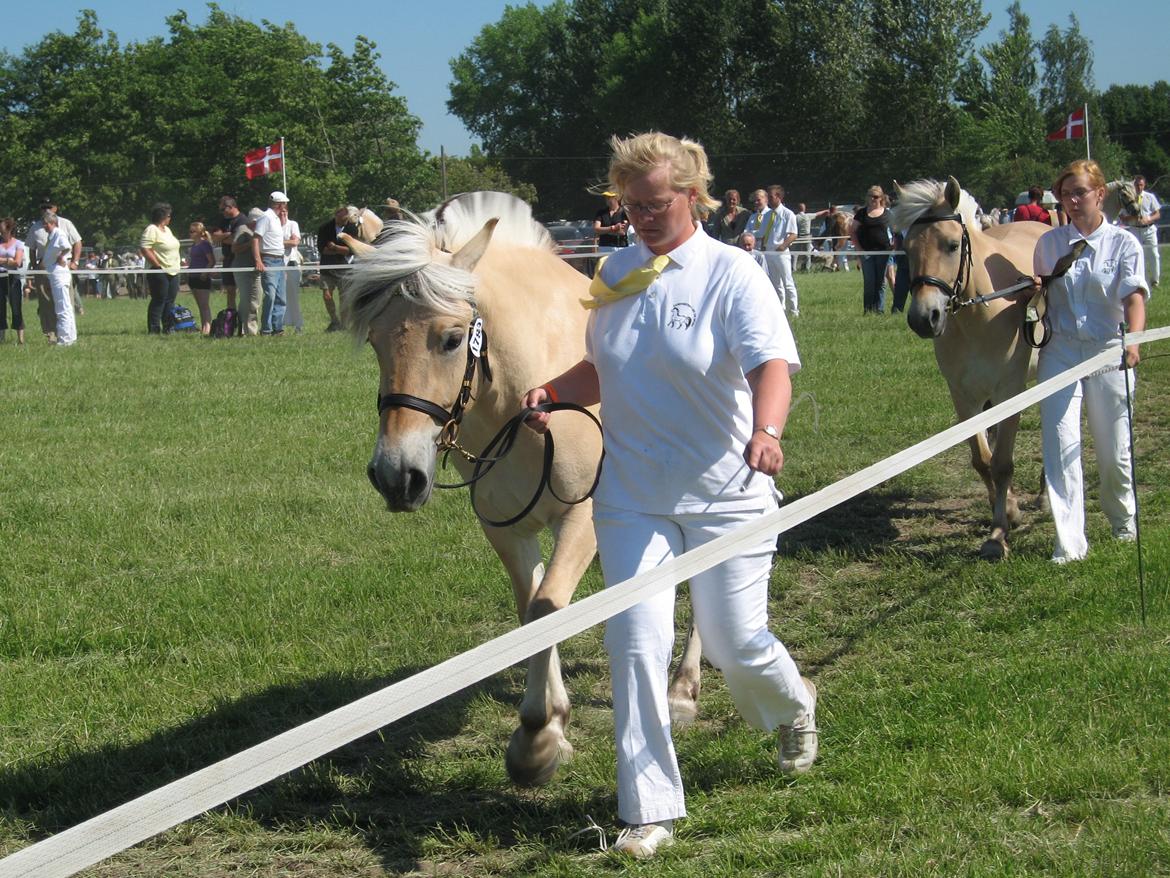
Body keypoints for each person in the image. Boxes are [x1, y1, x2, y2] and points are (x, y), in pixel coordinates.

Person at [522, 131, 818, 859]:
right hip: (631, 499)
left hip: (729, 493)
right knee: (635, 644)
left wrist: (769, 430)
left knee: (733, 645)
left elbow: (771, 364)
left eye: (657, 204)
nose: (644, 218)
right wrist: (556, 391)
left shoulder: (732, 273)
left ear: (694, 196)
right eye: (632, 206)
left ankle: (794, 705)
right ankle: (647, 811)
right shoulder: (616, 273)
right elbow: (608, 369)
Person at [1032, 159, 1149, 564]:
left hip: (1107, 350)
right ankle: (1069, 544)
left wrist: (1132, 342)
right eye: (1066, 194)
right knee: (1061, 445)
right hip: (1060, 351)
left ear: (1100, 194)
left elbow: (1134, 297)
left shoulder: (1124, 244)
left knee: (1114, 451)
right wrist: (1032, 297)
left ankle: (1122, 520)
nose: (1072, 200)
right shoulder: (1049, 244)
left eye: (1080, 192)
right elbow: (1039, 300)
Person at [25, 200, 81, 343]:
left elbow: (72, 244)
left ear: (55, 208)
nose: (45, 209)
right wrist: (35, 265)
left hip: (60, 271)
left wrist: (72, 261)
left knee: (64, 305)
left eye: (48, 207)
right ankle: (52, 333)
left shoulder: (63, 227)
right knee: (47, 304)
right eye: (43, 207)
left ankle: (66, 337)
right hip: (44, 269)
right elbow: (32, 248)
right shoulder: (36, 228)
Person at [140, 203, 181, 334]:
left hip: (174, 270)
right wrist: (157, 265)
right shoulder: (151, 229)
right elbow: (145, 248)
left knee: (170, 300)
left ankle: (169, 327)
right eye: (169, 215)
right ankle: (154, 328)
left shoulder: (167, 230)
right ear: (163, 216)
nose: (170, 218)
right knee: (159, 300)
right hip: (158, 271)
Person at [252, 191, 289, 335]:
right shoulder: (266, 218)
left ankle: (277, 328)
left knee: (281, 297)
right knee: (271, 296)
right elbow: (256, 239)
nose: (285, 206)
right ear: (280, 204)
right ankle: (266, 329)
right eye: (284, 204)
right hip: (269, 259)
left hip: (279, 260)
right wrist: (258, 260)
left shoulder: (275, 219)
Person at [316, 206, 358, 332]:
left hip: (344, 268)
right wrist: (341, 250)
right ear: (336, 216)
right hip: (327, 268)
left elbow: (352, 250)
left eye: (346, 220)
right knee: (327, 295)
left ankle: (344, 325)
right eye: (342, 220)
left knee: (344, 297)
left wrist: (334, 248)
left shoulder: (352, 228)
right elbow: (322, 250)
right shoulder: (324, 228)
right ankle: (334, 321)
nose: (345, 222)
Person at [760, 184, 800, 317]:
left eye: (770, 197)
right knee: (775, 283)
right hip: (769, 252)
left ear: (778, 197)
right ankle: (780, 309)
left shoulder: (788, 214)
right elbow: (764, 232)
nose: (769, 200)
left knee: (787, 282)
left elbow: (793, 234)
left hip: (781, 253)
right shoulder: (767, 215)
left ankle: (794, 310)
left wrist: (783, 246)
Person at [852, 186, 892, 314]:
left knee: (881, 283)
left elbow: (896, 231)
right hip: (866, 253)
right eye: (870, 196)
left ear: (881, 198)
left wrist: (895, 243)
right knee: (869, 282)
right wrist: (859, 250)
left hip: (883, 252)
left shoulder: (887, 213)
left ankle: (879, 310)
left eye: (876, 197)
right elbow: (852, 232)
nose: (873, 199)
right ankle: (868, 310)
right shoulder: (861, 214)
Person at [1119, 174, 1161, 289]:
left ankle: (1155, 281)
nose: (1139, 187)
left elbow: (1157, 214)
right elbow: (1122, 216)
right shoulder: (1128, 197)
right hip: (1135, 229)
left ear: (1144, 185)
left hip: (1149, 229)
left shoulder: (1149, 197)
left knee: (1153, 254)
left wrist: (1149, 219)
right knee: (1137, 254)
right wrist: (1133, 218)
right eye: (1137, 185)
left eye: (1141, 185)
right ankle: (1142, 279)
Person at [41, 211, 77, 345]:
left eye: (46, 224)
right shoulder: (53, 235)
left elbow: (67, 247)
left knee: (62, 308)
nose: (44, 227)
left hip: (59, 273)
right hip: (54, 273)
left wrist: (62, 256)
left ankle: (65, 339)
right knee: (64, 306)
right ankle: (70, 337)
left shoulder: (59, 233)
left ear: (53, 223)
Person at [211, 196, 247, 311]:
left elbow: (234, 240)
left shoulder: (242, 220)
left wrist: (223, 237)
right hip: (227, 260)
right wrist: (227, 235)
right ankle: (231, 317)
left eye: (223, 210)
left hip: (240, 259)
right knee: (230, 290)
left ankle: (243, 318)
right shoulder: (223, 220)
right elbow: (214, 237)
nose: (221, 213)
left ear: (231, 207)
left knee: (243, 291)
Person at [234, 208, 264, 335]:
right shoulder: (242, 230)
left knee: (254, 300)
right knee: (250, 301)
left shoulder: (259, 231)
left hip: (256, 271)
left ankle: (244, 329)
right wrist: (251, 243)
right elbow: (234, 248)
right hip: (244, 270)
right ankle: (249, 331)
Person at [186, 221, 216, 335]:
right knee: (199, 305)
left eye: (193, 231)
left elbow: (211, 261)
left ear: (200, 233)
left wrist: (205, 273)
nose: (190, 233)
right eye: (190, 231)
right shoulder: (193, 246)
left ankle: (207, 329)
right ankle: (203, 327)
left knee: (204, 305)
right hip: (192, 277)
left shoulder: (205, 244)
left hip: (202, 278)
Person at [0, 218, 26, 344]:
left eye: (2, 227)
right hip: (0, 277)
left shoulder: (18, 244)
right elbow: (12, 260)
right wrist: (8, 260)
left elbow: (18, 262)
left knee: (16, 307)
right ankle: (1, 337)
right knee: (0, 308)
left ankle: (20, 338)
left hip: (13, 278)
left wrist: (3, 260)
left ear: (9, 229)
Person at [280, 201, 303, 332]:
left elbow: (295, 242)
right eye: (280, 211)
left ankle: (298, 325)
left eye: (285, 211)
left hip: (292, 264)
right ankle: (279, 325)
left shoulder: (293, 224)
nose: (283, 214)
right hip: (277, 265)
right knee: (279, 297)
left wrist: (277, 243)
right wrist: (285, 242)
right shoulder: (275, 225)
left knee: (293, 296)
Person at [792, 202, 829, 271]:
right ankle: (807, 268)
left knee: (795, 254)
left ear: (797, 209)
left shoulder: (795, 217)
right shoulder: (808, 216)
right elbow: (818, 214)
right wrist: (826, 211)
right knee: (807, 254)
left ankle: (793, 268)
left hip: (798, 237)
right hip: (807, 237)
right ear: (804, 209)